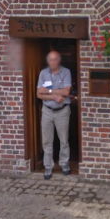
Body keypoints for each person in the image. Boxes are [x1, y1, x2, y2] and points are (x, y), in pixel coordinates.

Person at [36, 50, 72, 179]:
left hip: (62, 111)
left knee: (63, 139)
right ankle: (48, 166)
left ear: (59, 60)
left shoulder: (66, 72)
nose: (52, 62)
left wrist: (49, 91)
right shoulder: (43, 73)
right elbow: (39, 94)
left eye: (55, 59)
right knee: (47, 140)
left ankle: (64, 163)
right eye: (50, 60)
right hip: (47, 111)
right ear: (48, 61)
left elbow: (67, 92)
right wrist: (55, 96)